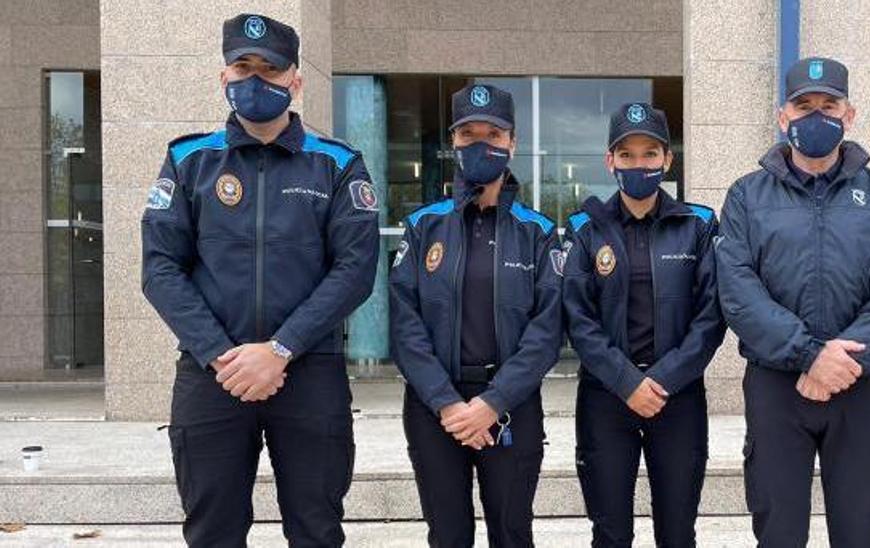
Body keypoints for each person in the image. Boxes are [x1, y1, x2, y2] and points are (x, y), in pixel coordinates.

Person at [141, 13, 379, 547]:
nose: (255, 80)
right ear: (223, 77)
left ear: (295, 80)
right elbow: (159, 268)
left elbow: (355, 270)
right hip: (212, 376)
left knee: (317, 530)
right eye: (242, 67)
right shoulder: (187, 161)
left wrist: (280, 349)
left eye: (270, 69)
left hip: (309, 370)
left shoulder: (337, 165)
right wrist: (222, 354)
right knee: (211, 532)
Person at [715, 56, 870, 547]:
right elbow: (738, 290)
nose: (815, 115)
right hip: (776, 385)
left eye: (828, 105)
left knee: (858, 528)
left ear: (849, 115)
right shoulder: (747, 196)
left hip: (859, 383)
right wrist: (809, 354)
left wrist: (843, 360)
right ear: (782, 116)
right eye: (803, 105)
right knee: (779, 530)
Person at [389, 83, 563, 548]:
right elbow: (405, 324)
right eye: (469, 135)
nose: (481, 144)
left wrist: (493, 402)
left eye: (494, 134)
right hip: (435, 409)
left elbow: (546, 332)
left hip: (510, 408)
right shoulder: (424, 225)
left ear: (512, 144)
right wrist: (447, 404)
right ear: (454, 144)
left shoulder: (538, 233)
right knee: (447, 536)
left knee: (512, 534)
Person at [563, 102, 726, 547]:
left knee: (677, 532)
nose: (639, 164)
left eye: (650, 154)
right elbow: (578, 319)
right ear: (610, 160)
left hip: (677, 397)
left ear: (668, 159)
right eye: (628, 155)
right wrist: (626, 381)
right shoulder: (585, 228)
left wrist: (662, 379)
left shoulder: (699, 225)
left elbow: (711, 317)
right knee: (611, 533)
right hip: (605, 397)